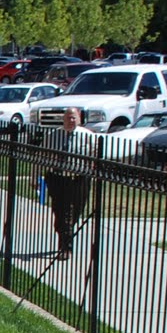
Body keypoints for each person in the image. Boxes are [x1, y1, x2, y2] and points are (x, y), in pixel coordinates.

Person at [42, 107, 98, 260]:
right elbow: (41, 156)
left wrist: (91, 167)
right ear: (63, 119)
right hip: (58, 178)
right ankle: (66, 247)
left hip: (79, 179)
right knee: (61, 210)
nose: (71, 120)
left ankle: (64, 229)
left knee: (76, 210)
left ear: (79, 119)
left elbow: (96, 155)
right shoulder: (52, 136)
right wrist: (35, 178)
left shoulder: (88, 136)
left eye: (74, 118)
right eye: (68, 118)